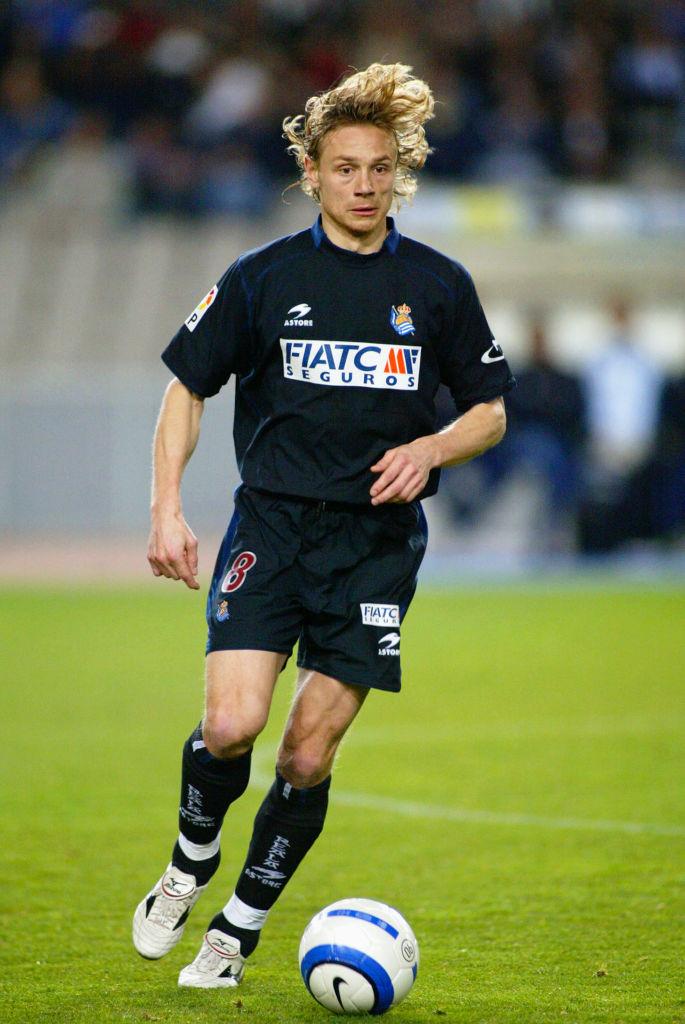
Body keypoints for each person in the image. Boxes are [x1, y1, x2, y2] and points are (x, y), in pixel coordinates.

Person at [132, 62, 515, 989]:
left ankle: (238, 930)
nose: (363, 185)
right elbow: (187, 388)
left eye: (380, 168)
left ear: (399, 172)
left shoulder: (437, 284)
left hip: (376, 548)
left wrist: (432, 447)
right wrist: (166, 508)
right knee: (233, 724)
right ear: (311, 172)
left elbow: (490, 411)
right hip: (271, 529)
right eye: (344, 168)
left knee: (306, 753)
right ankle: (189, 863)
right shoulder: (262, 277)